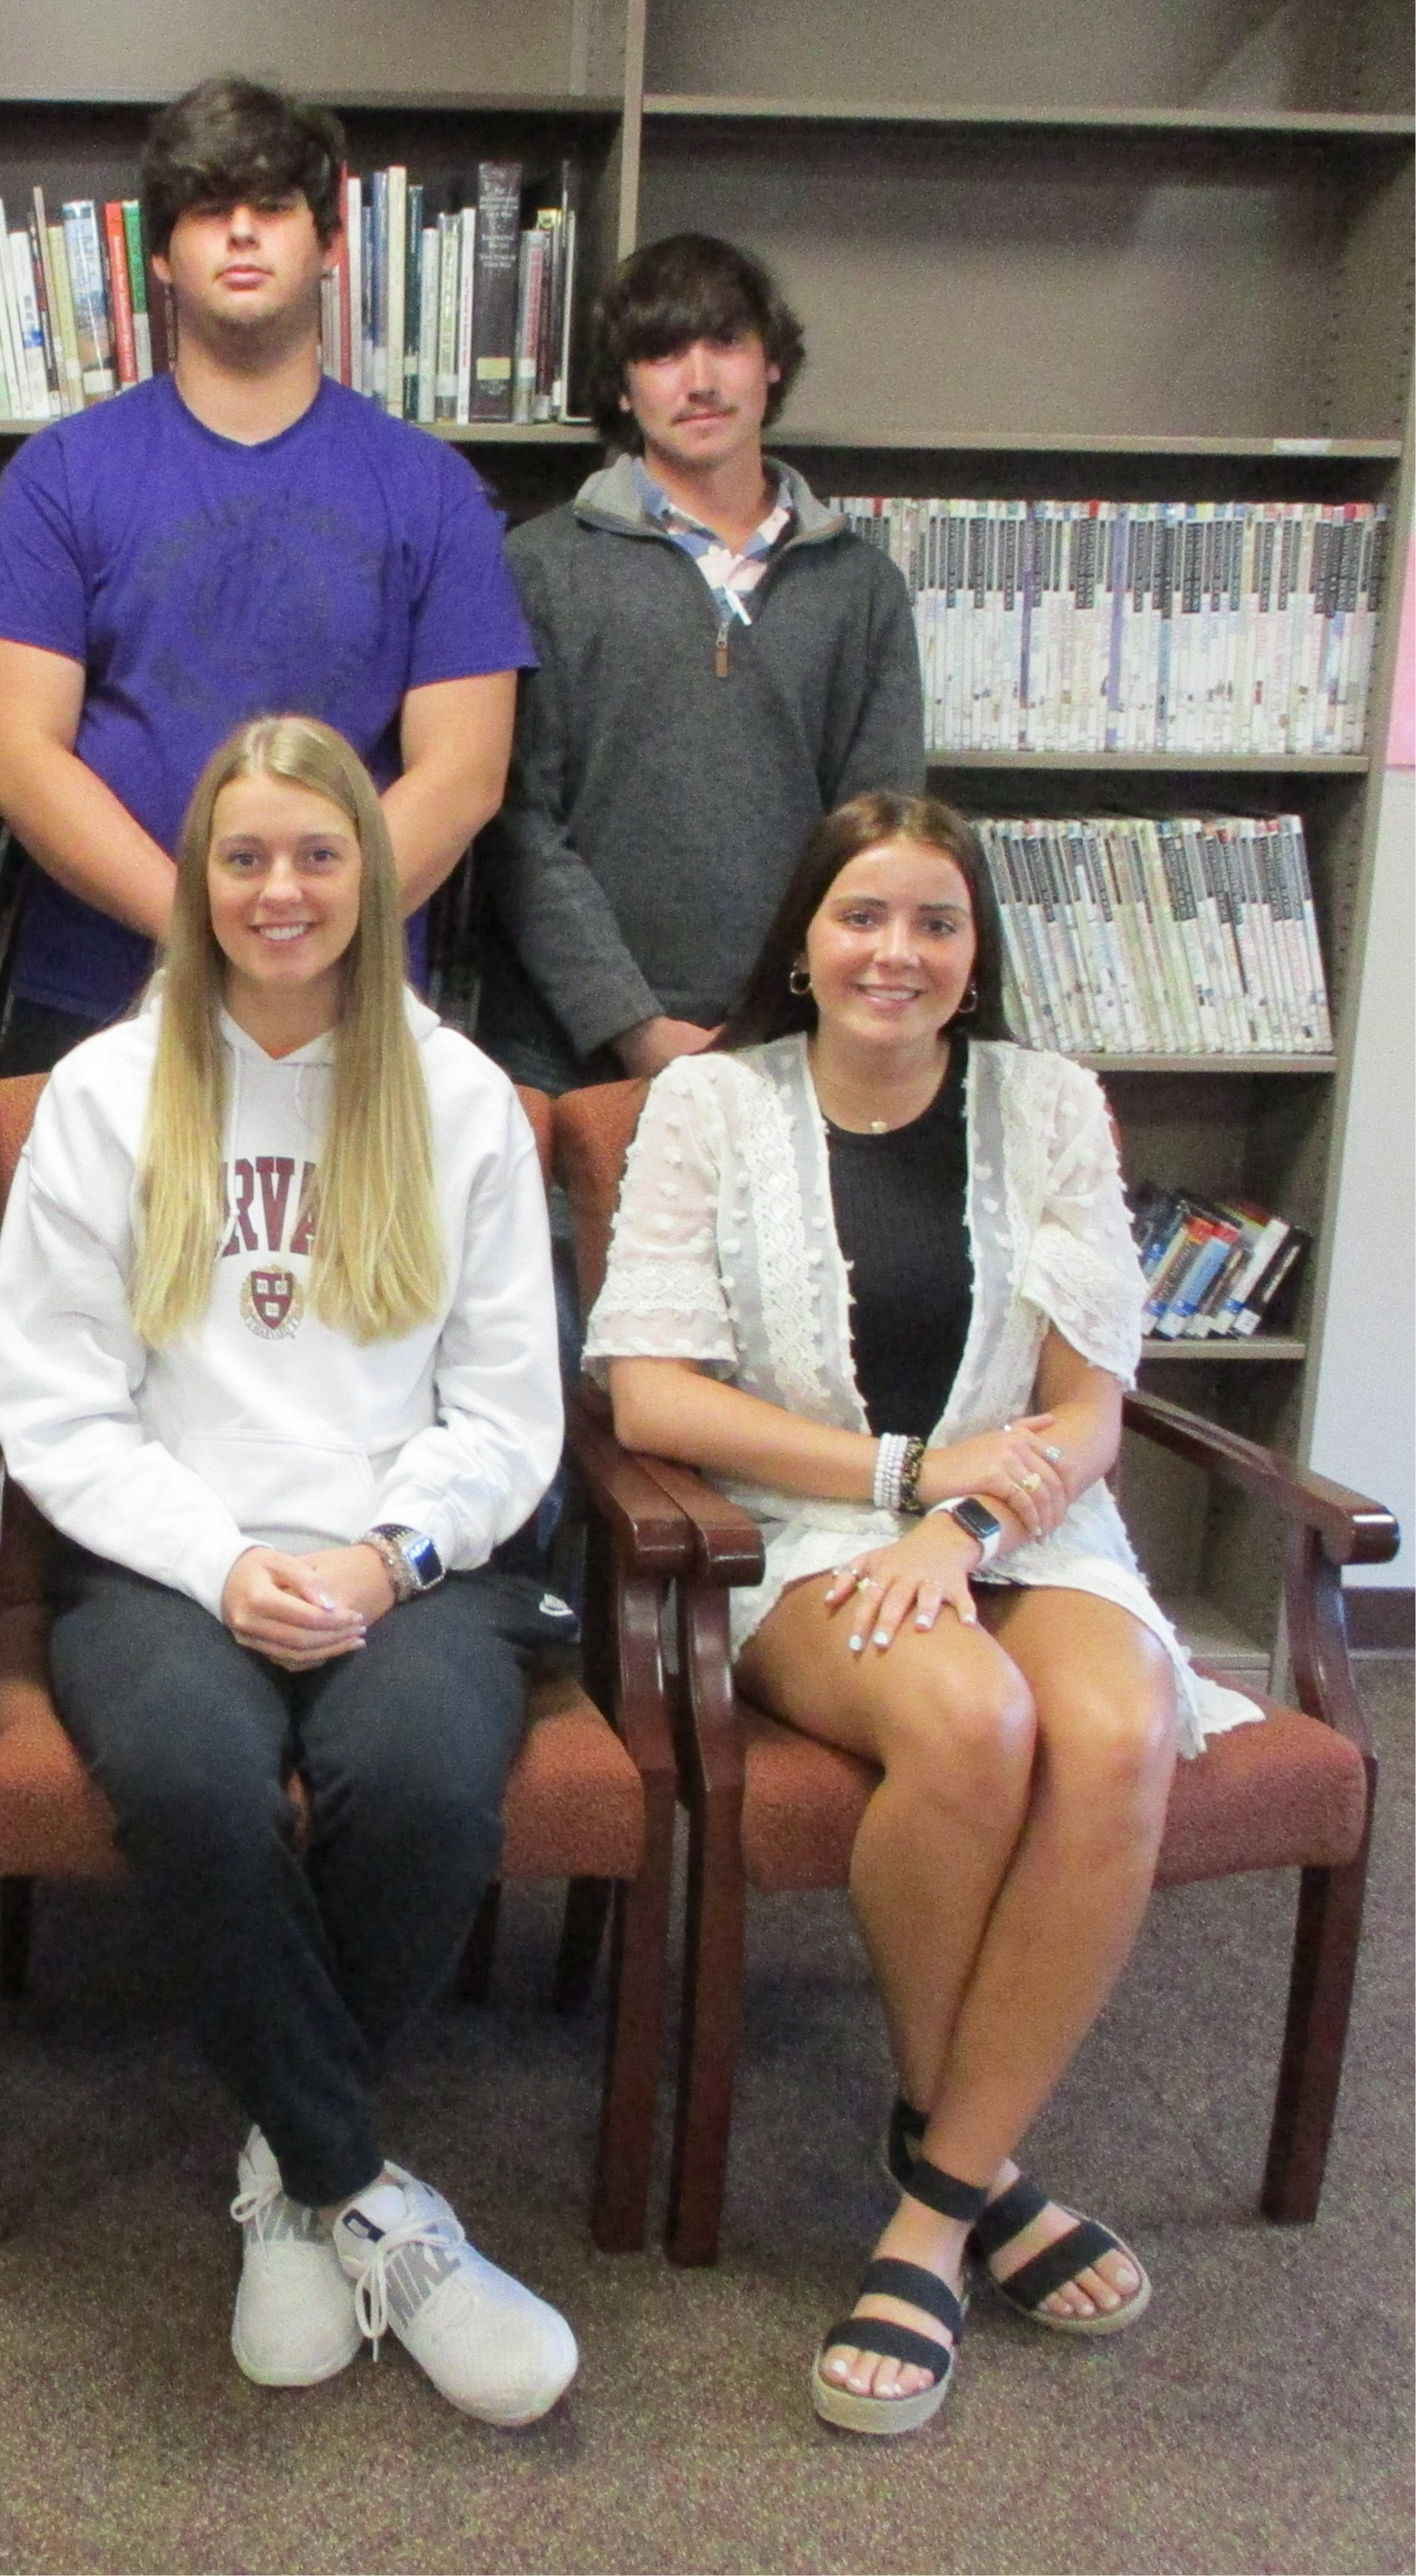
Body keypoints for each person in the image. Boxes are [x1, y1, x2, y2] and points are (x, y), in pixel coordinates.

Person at [586, 788, 1240, 2437]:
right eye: (862, 917)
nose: (897, 951)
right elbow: (654, 1396)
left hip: (1028, 1521)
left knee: (1117, 1724)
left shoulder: (1051, 1105)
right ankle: (987, 2177)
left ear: (974, 955)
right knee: (972, 1719)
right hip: (805, 1534)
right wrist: (895, 1480)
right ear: (802, 945)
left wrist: (963, 1516)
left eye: (935, 924)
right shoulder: (709, 1108)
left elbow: (1091, 1410)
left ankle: (937, 2193)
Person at [0, 714, 580, 2422]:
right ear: (197, 880)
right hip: (165, 1556)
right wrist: (225, 1560)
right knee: (186, 1774)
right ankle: (361, 2191)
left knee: (417, 1779)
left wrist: (387, 1558)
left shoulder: (457, 1095)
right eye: (244, 855)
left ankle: (283, 2173)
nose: (280, 887)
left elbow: (506, 1410)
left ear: (373, 877)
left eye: (317, 853)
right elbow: (56, 1405)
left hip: (410, 1557)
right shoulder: (109, 1090)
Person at [0, 79, 532, 1078]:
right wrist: (207, 927)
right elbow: (15, 754)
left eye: (269, 208)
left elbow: (464, 771)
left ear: (329, 244)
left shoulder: (430, 488)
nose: (238, 234)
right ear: (157, 253)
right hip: (101, 998)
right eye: (206, 211)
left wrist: (302, 932)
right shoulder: (59, 474)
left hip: (348, 1005)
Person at [474, 233, 924, 1095]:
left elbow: (880, 841)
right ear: (621, 383)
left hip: (793, 1052)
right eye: (663, 351)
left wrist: (780, 1017)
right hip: (567, 1062)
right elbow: (516, 823)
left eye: (725, 343)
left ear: (772, 367)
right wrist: (633, 1027)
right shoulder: (537, 569)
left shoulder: (861, 590)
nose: (700, 378)